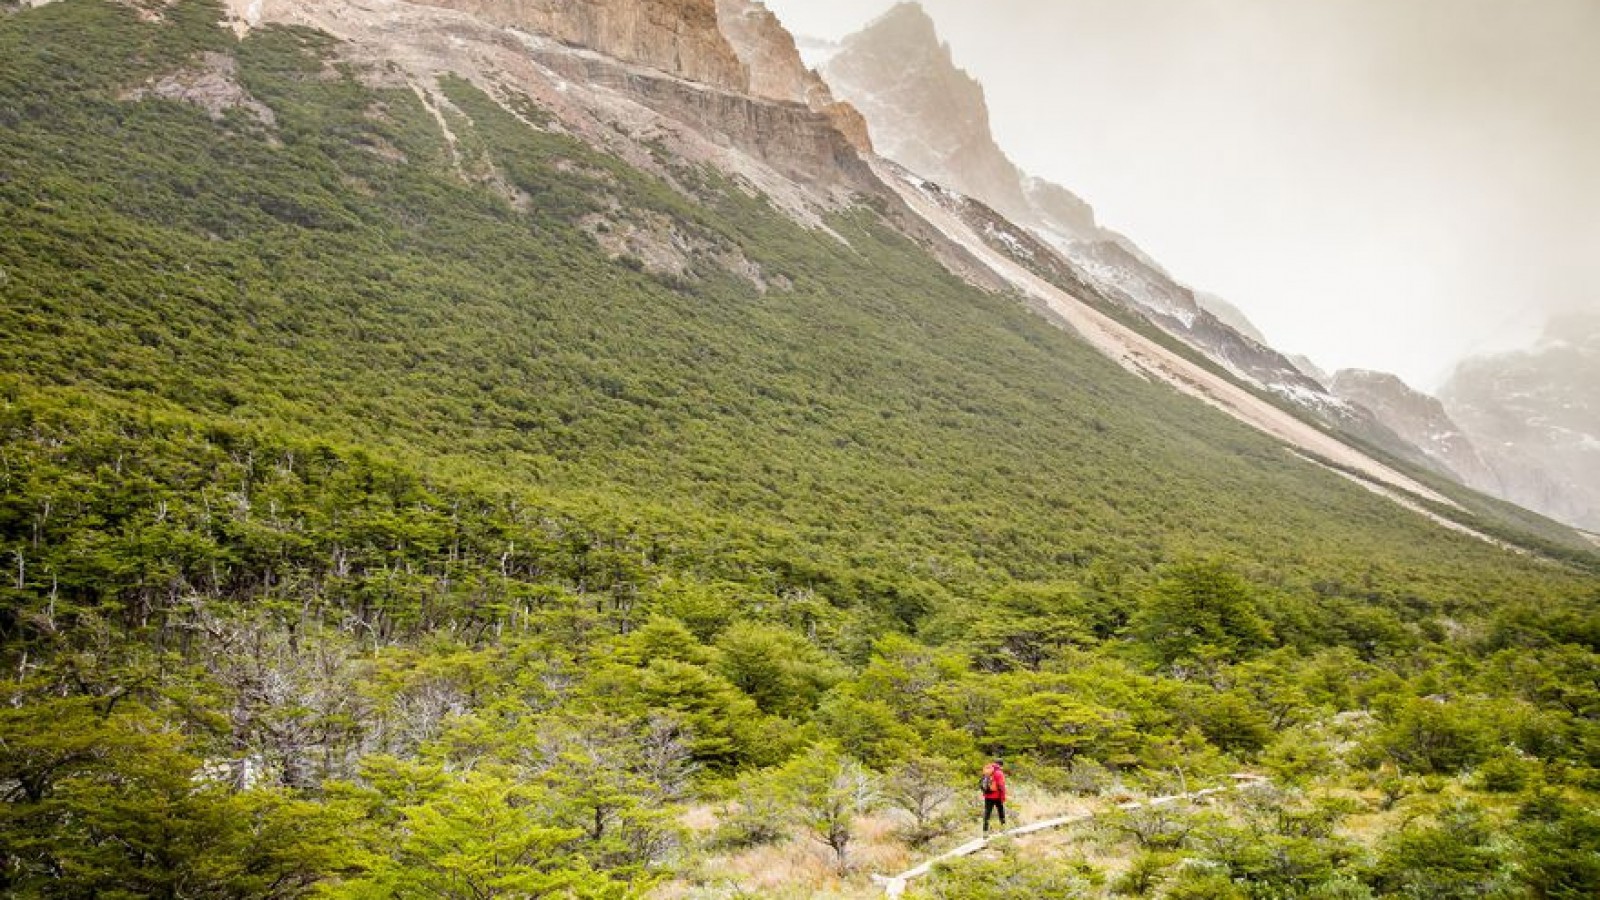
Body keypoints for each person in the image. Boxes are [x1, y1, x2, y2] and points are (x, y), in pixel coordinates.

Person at [980, 759, 1007, 834]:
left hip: (987, 796)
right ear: (1001, 765)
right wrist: (1003, 797)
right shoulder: (999, 773)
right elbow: (1001, 786)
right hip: (997, 796)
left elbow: (983, 783)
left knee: (987, 813)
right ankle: (1003, 829)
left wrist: (985, 793)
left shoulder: (987, 771)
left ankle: (985, 832)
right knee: (1001, 812)